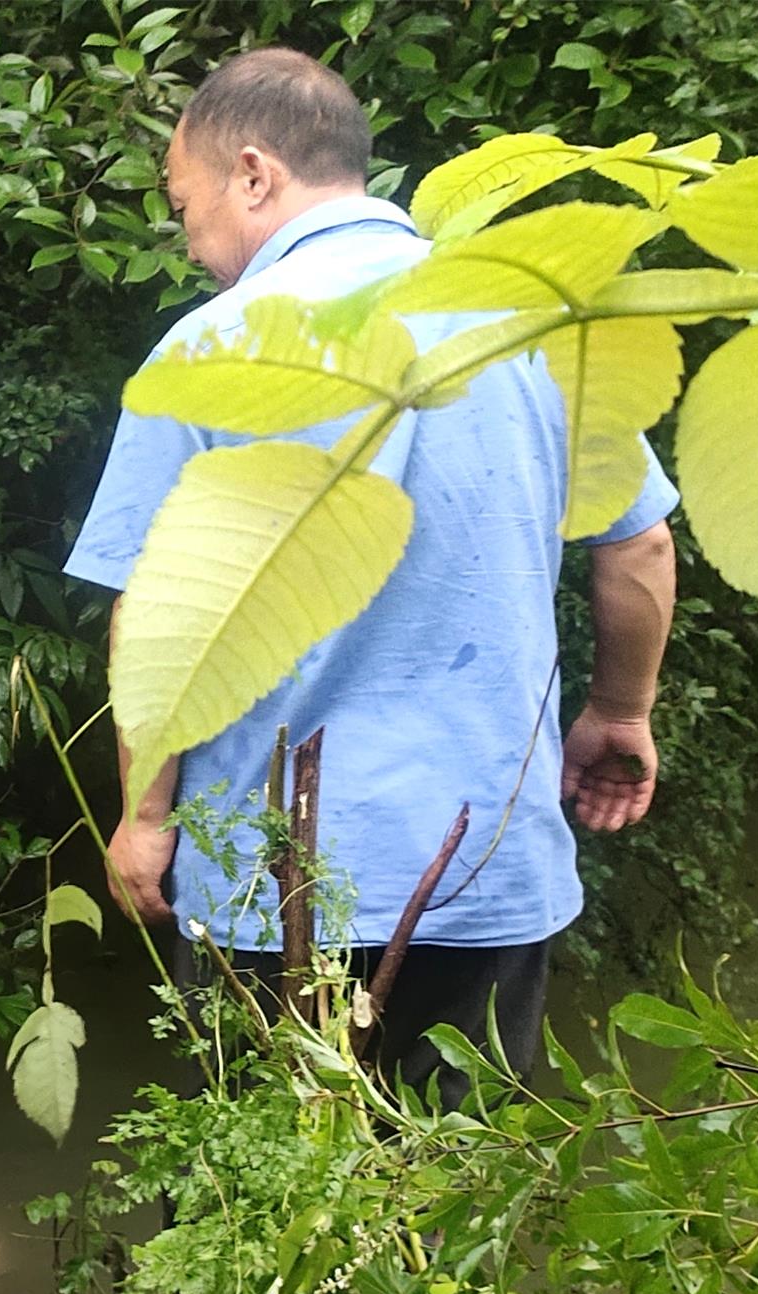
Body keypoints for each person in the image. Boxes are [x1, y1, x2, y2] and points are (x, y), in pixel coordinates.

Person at [67, 48, 678, 1105]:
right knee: (444, 1221)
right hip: (485, 867)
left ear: (251, 174)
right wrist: (618, 708)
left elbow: (157, 614)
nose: (189, 239)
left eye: (183, 203)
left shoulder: (211, 349)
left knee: (259, 1218)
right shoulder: (528, 327)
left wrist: (145, 816)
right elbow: (637, 547)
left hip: (273, 884)